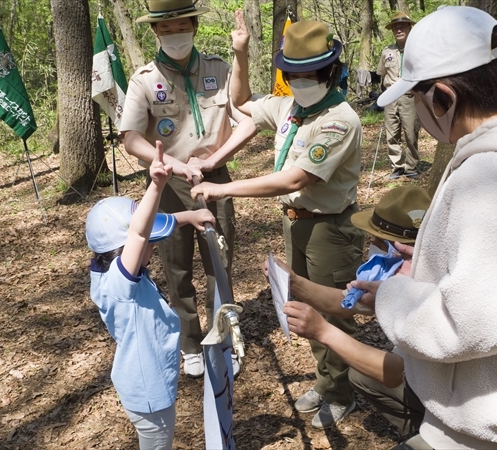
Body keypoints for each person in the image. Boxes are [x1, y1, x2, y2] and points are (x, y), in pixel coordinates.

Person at [365, 6, 497, 449]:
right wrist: (427, 264)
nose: (417, 111)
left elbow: (472, 323)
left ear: (443, 97)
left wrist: (390, 294)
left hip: (477, 433)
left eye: (416, 98)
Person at [191, 10, 365, 429]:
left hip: (331, 228)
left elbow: (294, 177)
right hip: (296, 223)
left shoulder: (339, 120)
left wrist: (222, 188)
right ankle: (325, 381)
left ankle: (341, 392)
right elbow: (242, 102)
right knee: (304, 303)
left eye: (309, 75)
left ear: (330, 72)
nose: (300, 82)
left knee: (334, 308)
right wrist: (241, 54)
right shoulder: (290, 107)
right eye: (293, 75)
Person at [120, 0, 258, 378]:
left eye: (181, 26)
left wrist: (241, 53)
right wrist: (168, 164)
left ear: (194, 26)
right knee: (176, 263)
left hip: (216, 178)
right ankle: (190, 342)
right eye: (166, 29)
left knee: (220, 260)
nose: (174, 34)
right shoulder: (144, 79)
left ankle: (223, 334)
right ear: (155, 33)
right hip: (168, 183)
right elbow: (131, 137)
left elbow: (243, 108)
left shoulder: (217, 67)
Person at [265, 185, 431, 439]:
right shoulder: (397, 274)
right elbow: (345, 304)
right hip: (435, 378)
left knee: (367, 373)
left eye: (377, 240)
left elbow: (396, 372)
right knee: (361, 376)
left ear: (400, 248)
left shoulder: (426, 293)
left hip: (465, 406)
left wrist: (323, 331)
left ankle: (429, 435)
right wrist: (294, 281)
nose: (371, 247)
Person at [85, 141, 215, 449]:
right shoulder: (119, 285)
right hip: (148, 393)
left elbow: (144, 232)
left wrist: (187, 217)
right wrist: (156, 186)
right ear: (121, 251)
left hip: (145, 384)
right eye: (150, 242)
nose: (154, 247)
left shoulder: (111, 272)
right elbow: (140, 233)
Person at [377, 11, 421, 180]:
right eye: (395, 27)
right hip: (390, 96)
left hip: (409, 96)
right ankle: (397, 165)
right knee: (392, 132)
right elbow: (382, 74)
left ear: (409, 28)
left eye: (402, 26)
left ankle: (411, 166)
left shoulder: (417, 50)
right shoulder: (387, 51)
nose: (399, 30)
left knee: (411, 132)